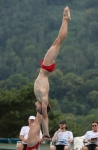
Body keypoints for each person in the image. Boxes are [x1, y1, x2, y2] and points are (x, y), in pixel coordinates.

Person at [34, 6, 71, 138]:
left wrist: (46, 133)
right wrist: (46, 133)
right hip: (45, 68)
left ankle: (65, 19)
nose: (36, 108)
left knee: (58, 42)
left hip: (47, 69)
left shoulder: (40, 97)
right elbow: (45, 116)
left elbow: (44, 116)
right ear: (44, 106)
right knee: (58, 41)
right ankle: (65, 19)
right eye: (38, 108)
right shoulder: (43, 98)